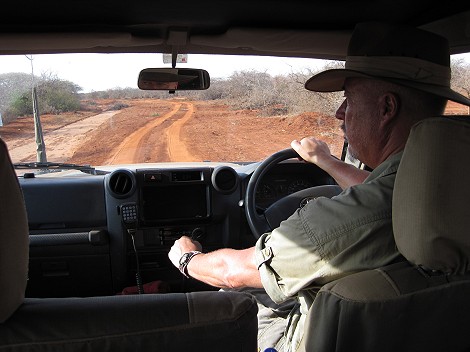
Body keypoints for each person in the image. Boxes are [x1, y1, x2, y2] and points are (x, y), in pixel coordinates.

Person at [168, 22, 470, 352]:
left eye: (348, 100)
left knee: (232, 300)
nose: (340, 113)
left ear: (386, 108)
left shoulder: (346, 221)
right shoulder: (439, 194)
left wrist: (188, 259)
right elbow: (380, 187)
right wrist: (325, 161)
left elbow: (233, 272)